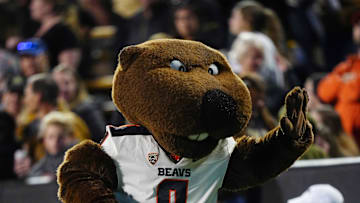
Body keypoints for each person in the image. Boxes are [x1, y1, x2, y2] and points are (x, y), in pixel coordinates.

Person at [317, 13, 360, 148]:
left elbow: (353, 92)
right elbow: (324, 92)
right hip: (346, 142)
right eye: (357, 24)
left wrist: (345, 83)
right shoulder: (346, 66)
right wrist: (344, 81)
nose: (358, 27)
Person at [52, 65, 105, 142]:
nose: (62, 88)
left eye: (67, 83)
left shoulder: (87, 109)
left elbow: (101, 139)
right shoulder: (53, 109)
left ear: (77, 84)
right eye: (57, 84)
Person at [30, 0, 80, 69]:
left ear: (48, 6)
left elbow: (67, 67)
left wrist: (61, 72)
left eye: (34, 3)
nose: (31, 7)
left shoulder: (62, 30)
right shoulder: (37, 29)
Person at [28, 111, 75, 179]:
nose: (55, 142)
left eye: (60, 137)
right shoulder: (38, 170)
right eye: (51, 137)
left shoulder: (76, 163)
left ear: (67, 138)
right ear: (44, 140)